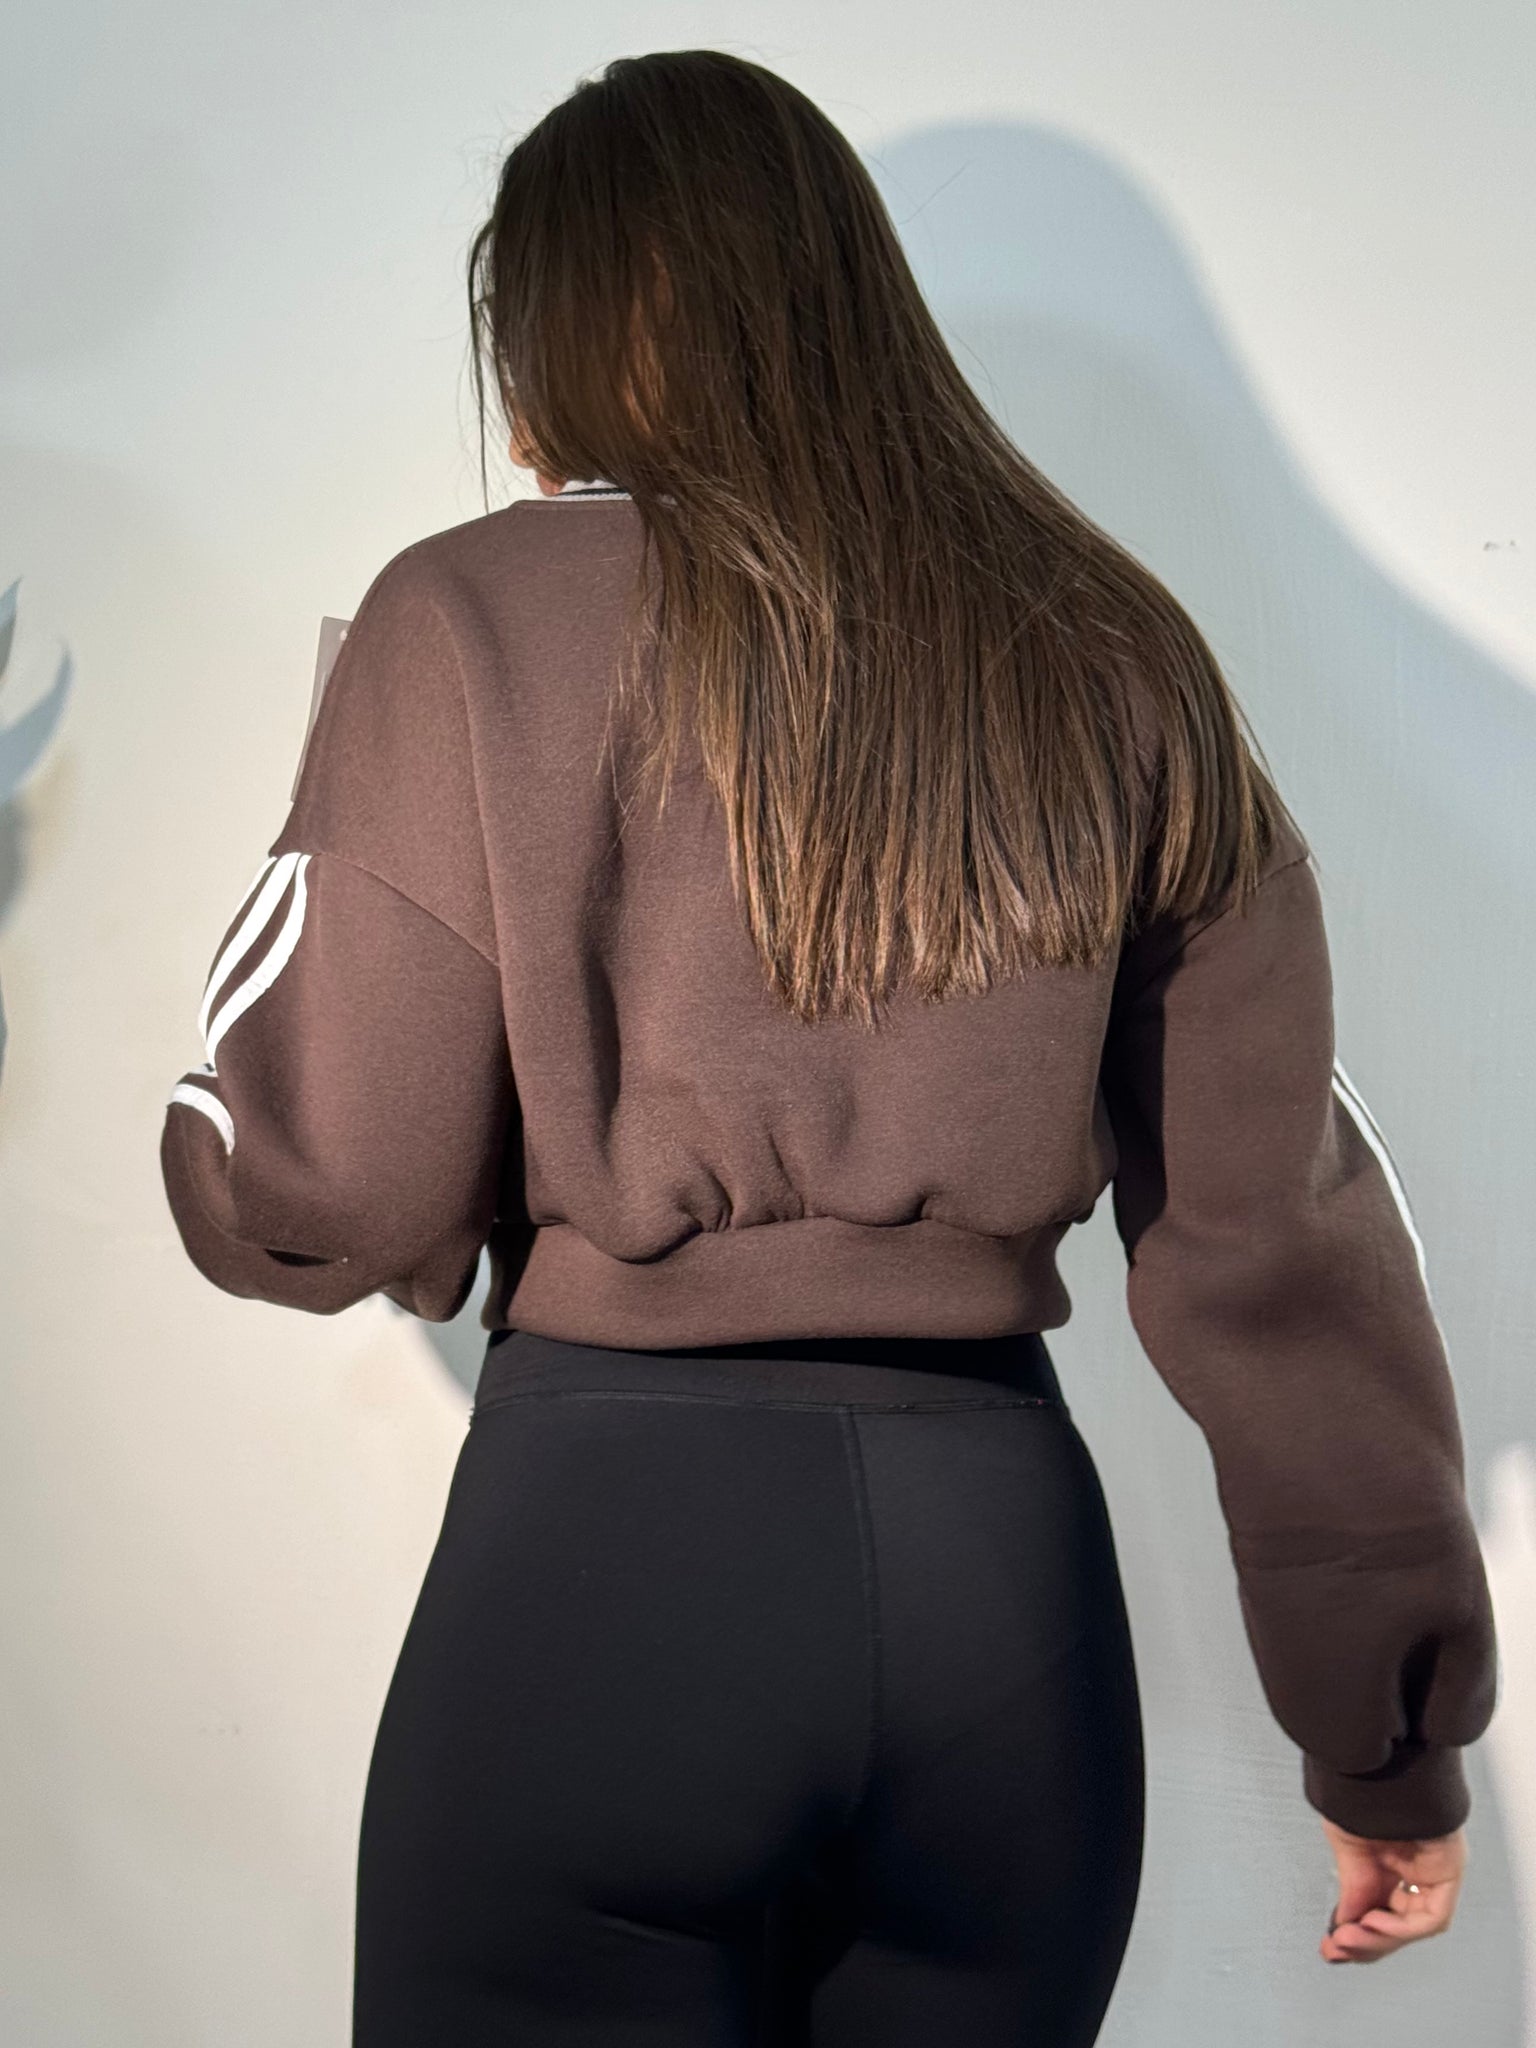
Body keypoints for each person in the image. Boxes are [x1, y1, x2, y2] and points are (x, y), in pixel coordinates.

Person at [159, 46, 1499, 2047]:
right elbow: (1277, 1244)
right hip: (1002, 1618)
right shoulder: (1115, 646)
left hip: (609, 1579)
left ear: (563, 341)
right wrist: (1381, 1734)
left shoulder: (468, 618)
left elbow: (326, 1185)